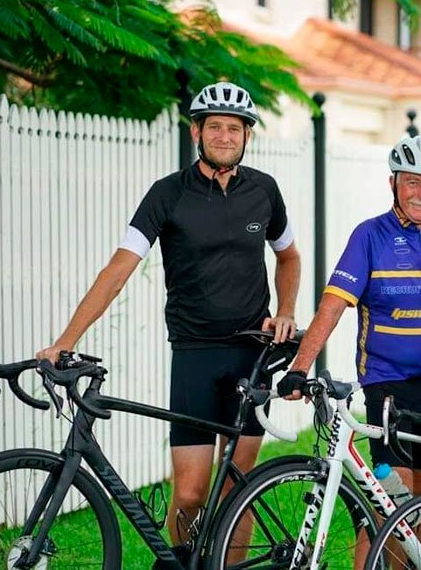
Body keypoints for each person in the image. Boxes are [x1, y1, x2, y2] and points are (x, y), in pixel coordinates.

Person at [36, 82, 300, 558]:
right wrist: (65, 340)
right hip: (195, 353)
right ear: (196, 131)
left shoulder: (264, 190)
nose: (224, 135)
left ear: (247, 136)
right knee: (192, 493)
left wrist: (284, 311)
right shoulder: (167, 194)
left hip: (251, 354)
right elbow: (118, 269)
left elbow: (290, 257)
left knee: (236, 493)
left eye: (234, 128)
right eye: (215, 126)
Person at [279, 135, 421, 500]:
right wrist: (300, 368)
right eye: (412, 181)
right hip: (386, 384)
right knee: (393, 503)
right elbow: (332, 306)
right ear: (393, 183)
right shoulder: (369, 236)